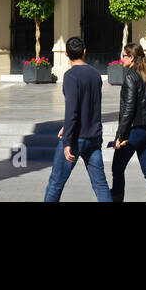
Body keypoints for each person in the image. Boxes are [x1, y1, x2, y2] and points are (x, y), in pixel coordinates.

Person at [44, 37, 112, 202]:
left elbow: (73, 110)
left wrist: (67, 141)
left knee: (56, 182)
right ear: (84, 51)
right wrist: (66, 127)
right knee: (100, 184)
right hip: (94, 136)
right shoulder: (96, 75)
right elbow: (90, 106)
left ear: (66, 54)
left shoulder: (70, 76)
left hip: (76, 138)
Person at [112, 44, 146, 202]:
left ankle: (117, 198)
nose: (122, 59)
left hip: (134, 131)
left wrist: (119, 135)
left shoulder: (131, 77)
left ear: (131, 57)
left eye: (124, 55)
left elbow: (128, 110)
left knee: (117, 168)